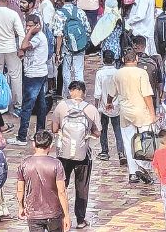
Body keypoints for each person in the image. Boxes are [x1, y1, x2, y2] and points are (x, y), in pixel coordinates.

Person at [50, 81, 99, 229]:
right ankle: (80, 220)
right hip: (83, 155)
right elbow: (98, 132)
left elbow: (54, 128)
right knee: (82, 187)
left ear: (71, 91)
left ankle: (59, 216)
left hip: (63, 154)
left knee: (60, 186)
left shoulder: (61, 106)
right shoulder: (91, 109)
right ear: (84, 92)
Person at [16, 129, 71, 232]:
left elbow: (20, 190)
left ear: (34, 144)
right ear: (50, 146)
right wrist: (66, 215)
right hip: (53, 212)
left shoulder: (24, 164)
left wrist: (21, 207)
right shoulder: (56, 164)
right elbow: (62, 192)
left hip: (33, 212)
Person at [116, 51, 155, 184]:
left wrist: (109, 103)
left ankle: (132, 172)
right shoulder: (141, 73)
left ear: (123, 59)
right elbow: (147, 95)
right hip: (141, 111)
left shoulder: (118, 73)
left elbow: (111, 93)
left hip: (125, 112)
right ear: (136, 59)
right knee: (145, 141)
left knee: (128, 142)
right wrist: (152, 113)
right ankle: (144, 167)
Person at [12, 12, 50, 145]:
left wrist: (29, 33)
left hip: (35, 75)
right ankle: (41, 132)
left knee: (27, 106)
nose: (28, 28)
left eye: (31, 26)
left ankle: (22, 136)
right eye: (27, 26)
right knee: (41, 105)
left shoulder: (38, 37)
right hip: (35, 73)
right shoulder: (34, 37)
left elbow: (23, 46)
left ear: (38, 26)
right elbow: (22, 50)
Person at [92, 50, 124, 162]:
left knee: (103, 129)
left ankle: (104, 151)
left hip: (103, 106)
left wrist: (96, 107)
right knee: (118, 130)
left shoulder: (100, 73)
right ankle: (121, 152)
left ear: (103, 60)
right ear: (114, 60)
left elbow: (98, 92)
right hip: (117, 106)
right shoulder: (118, 72)